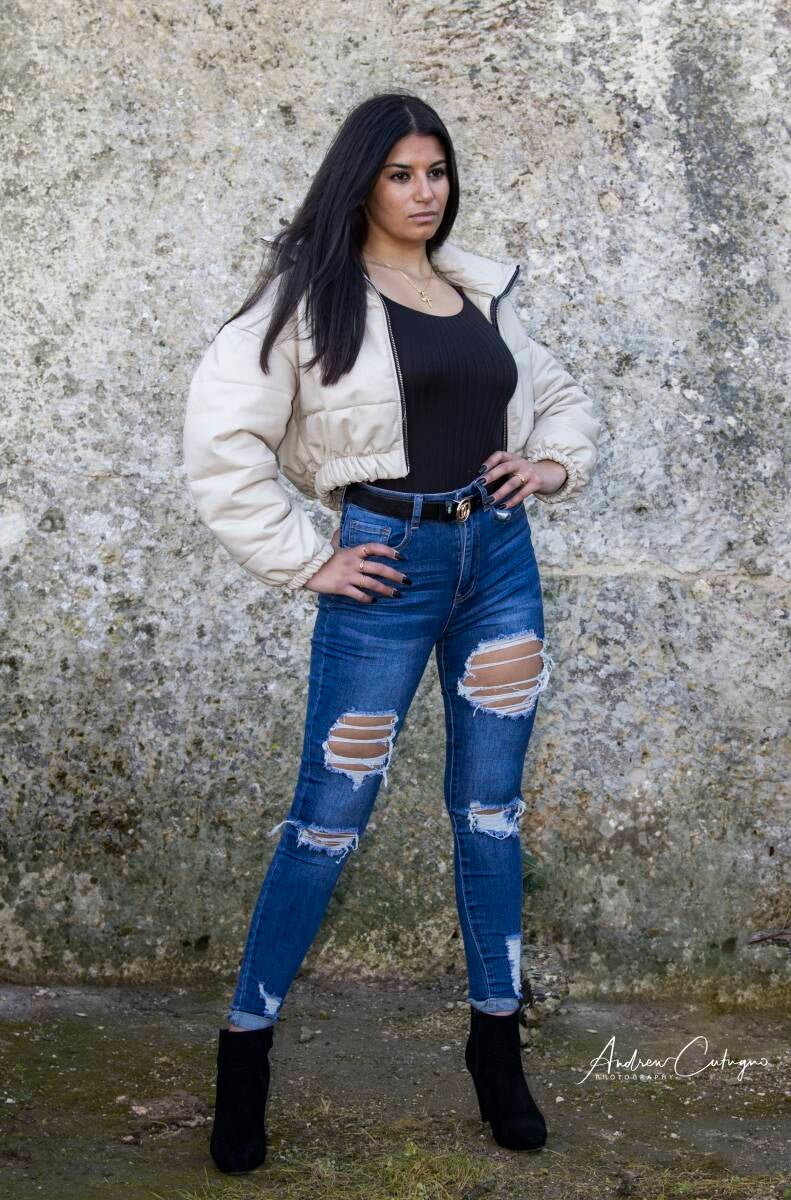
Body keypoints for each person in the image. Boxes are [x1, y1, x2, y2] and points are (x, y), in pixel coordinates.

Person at [182, 89, 600, 1173]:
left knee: (490, 814)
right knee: (327, 818)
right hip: (386, 570)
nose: (425, 193)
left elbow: (558, 397)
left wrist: (549, 465)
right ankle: (245, 1052)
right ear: (361, 182)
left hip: (498, 565)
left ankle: (496, 1048)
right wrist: (308, 557)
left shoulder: (478, 290)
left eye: (437, 172)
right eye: (401, 174)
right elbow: (221, 443)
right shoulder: (309, 297)